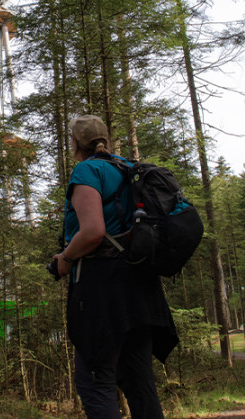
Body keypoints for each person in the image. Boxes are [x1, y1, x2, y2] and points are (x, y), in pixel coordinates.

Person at [52, 115, 178, 419]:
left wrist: (65, 259)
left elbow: (93, 231)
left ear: (74, 143)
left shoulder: (87, 170)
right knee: (139, 380)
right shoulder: (125, 167)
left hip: (102, 290)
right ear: (104, 139)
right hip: (141, 287)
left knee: (96, 381)